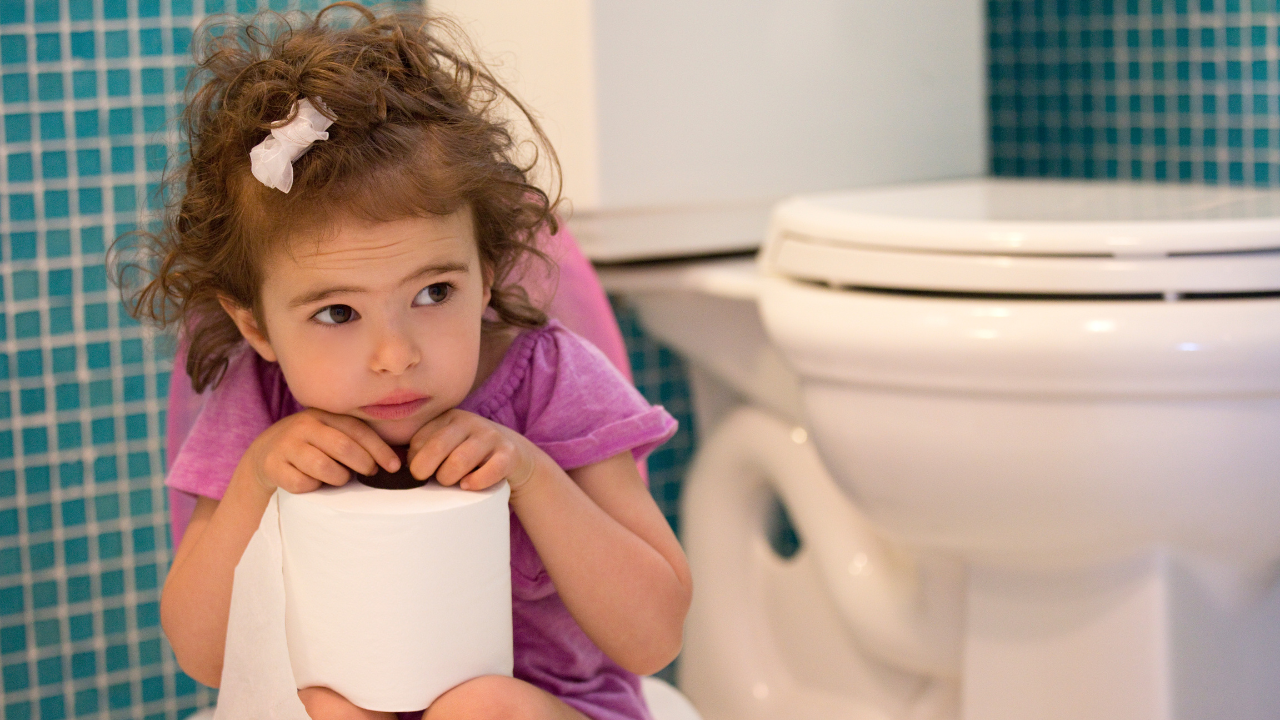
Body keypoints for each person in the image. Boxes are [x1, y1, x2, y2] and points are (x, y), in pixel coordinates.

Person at [124, 4, 692, 719]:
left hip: (544, 707)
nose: (395, 355)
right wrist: (255, 482)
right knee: (326, 706)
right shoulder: (261, 398)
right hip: (354, 701)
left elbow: (655, 637)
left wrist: (532, 476)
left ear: (488, 273)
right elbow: (204, 657)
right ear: (256, 325)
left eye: (433, 291)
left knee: (476, 708)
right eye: (336, 313)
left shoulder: (551, 381)